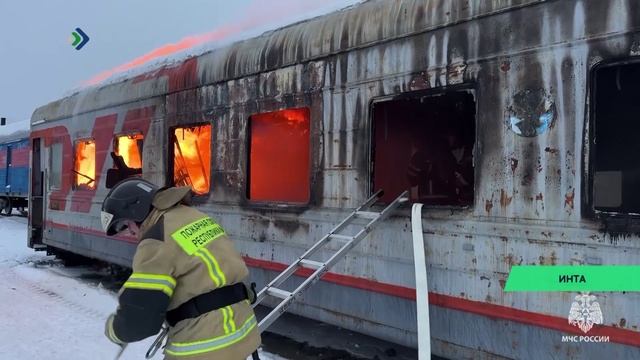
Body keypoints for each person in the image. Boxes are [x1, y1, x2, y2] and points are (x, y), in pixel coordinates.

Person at [101, 178, 261, 359]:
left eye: (124, 225)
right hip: (243, 332)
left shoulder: (156, 239)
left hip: (204, 345)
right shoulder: (194, 217)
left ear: (136, 211)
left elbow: (139, 320)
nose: (129, 232)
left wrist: (114, 330)